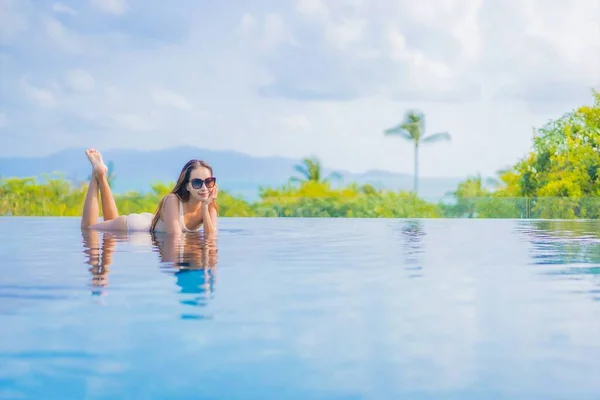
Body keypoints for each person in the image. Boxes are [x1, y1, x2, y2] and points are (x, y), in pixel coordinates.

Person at [80, 148, 218, 236]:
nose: (204, 188)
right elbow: (174, 236)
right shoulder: (172, 200)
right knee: (87, 229)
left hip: (150, 225)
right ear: (187, 186)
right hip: (137, 226)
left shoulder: (209, 207)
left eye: (208, 182)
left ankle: (101, 176)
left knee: (109, 223)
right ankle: (96, 174)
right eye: (197, 182)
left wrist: (205, 208)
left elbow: (211, 238)